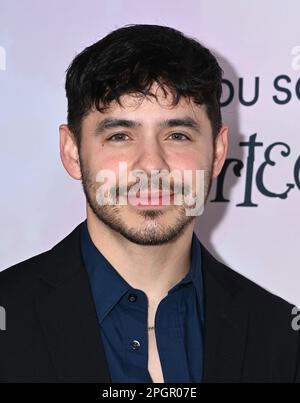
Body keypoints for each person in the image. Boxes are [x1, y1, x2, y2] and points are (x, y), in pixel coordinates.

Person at [0, 24, 299, 383]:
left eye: (177, 135)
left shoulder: (281, 340)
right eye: (120, 136)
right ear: (72, 152)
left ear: (218, 152)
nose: (152, 164)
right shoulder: (9, 319)